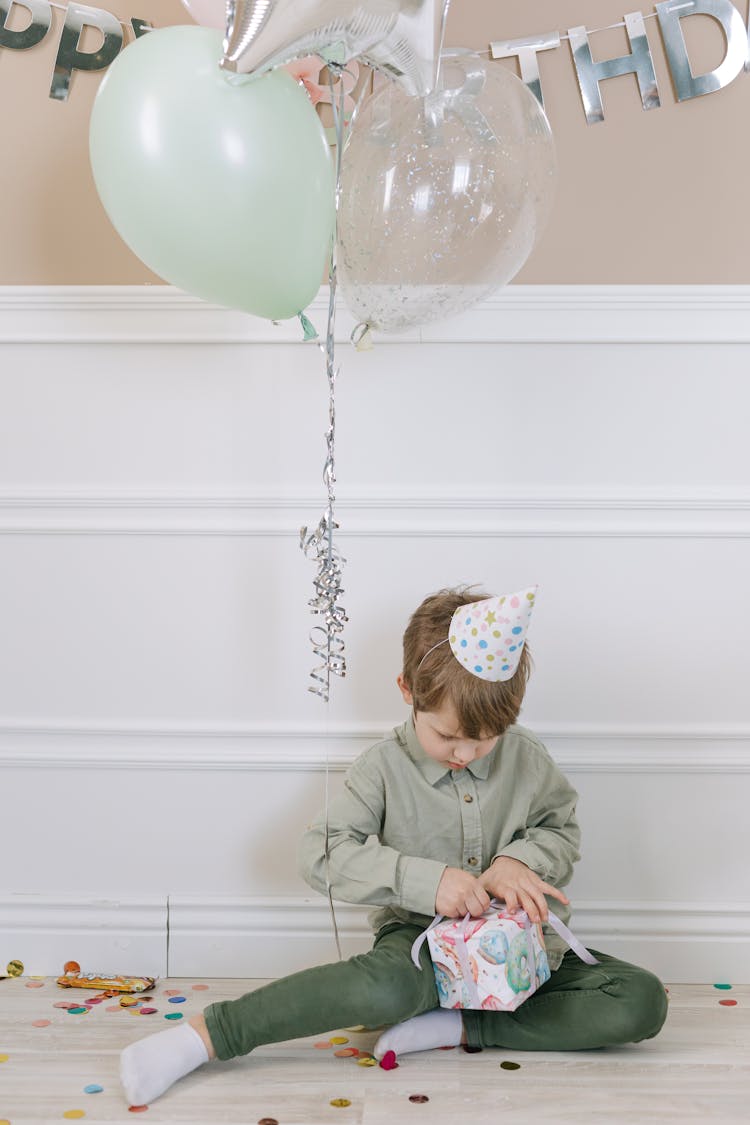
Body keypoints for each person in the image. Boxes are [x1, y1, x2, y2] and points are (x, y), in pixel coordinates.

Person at [120, 585, 668, 1107]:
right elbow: (321, 852)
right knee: (383, 991)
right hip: (420, 949)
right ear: (407, 691)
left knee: (639, 999)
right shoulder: (381, 769)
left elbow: (560, 830)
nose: (466, 753)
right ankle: (205, 1037)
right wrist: (428, 883)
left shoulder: (527, 758)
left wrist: (517, 861)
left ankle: (461, 1024)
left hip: (522, 954)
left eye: (483, 741)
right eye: (448, 736)